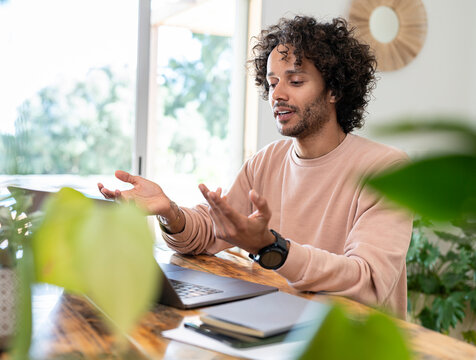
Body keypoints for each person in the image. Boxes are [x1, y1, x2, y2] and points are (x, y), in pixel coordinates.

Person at [98, 15, 412, 318]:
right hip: (277, 328)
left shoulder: (387, 170)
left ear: (335, 90)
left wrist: (272, 248)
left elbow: (368, 281)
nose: (277, 94)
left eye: (296, 81)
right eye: (272, 82)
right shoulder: (266, 162)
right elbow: (210, 233)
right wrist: (170, 212)